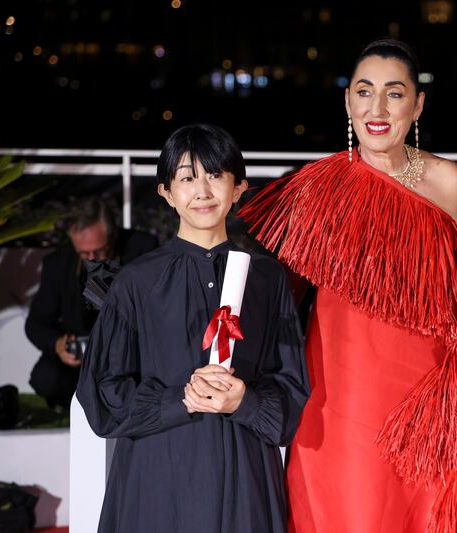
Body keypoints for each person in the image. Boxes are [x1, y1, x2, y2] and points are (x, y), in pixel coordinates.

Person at [239, 39, 457, 533]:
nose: (377, 108)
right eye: (364, 92)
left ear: (418, 103)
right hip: (340, 401)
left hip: (433, 400)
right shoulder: (313, 190)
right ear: (348, 103)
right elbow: (276, 301)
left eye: (394, 93)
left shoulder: (450, 184)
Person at [76, 124, 310, 532]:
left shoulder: (268, 279)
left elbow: (292, 387)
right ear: (166, 191)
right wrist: (179, 399)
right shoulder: (136, 282)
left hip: (244, 476)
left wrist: (245, 402)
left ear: (238, 187)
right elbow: (102, 393)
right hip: (158, 476)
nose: (202, 190)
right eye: (187, 177)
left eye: (215, 175)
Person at [25, 197, 157, 409]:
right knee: (45, 377)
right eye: (84, 254)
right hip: (80, 358)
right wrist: (58, 345)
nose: (93, 258)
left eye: (99, 250)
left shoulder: (143, 247)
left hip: (132, 353)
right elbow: (36, 323)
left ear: (113, 234)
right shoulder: (58, 263)